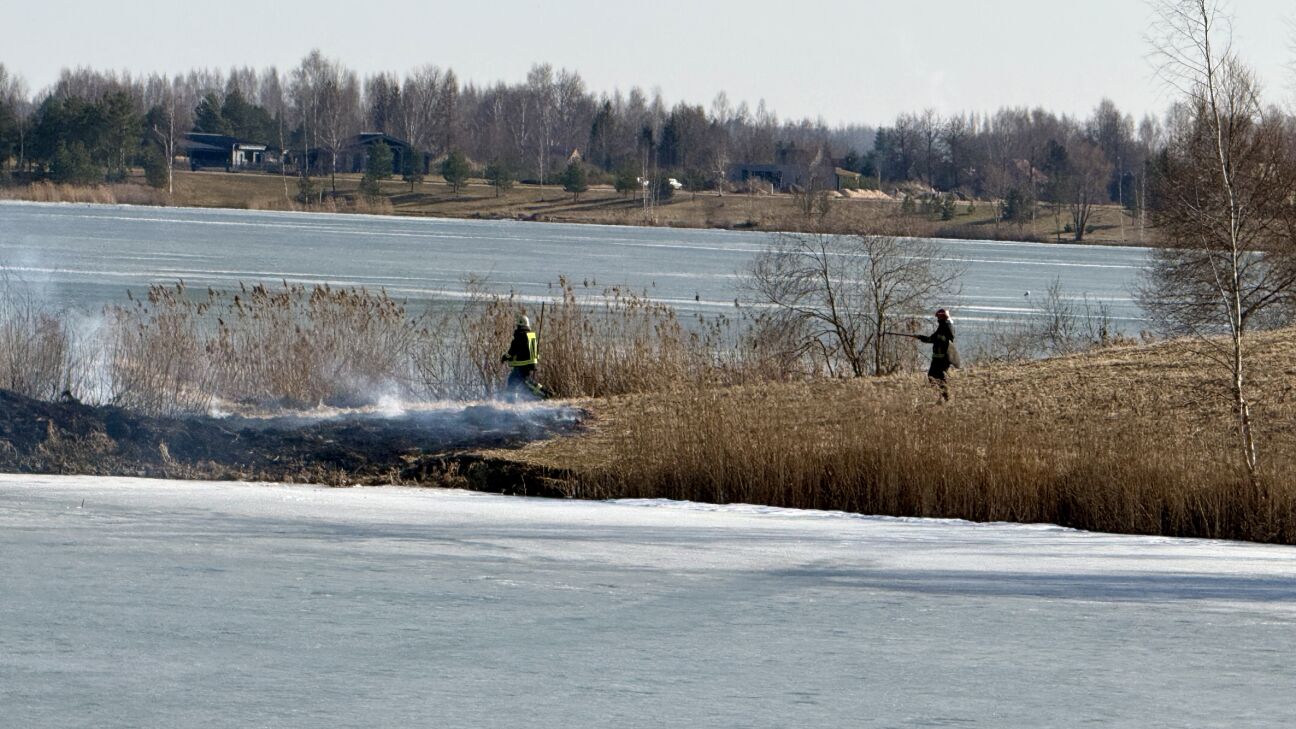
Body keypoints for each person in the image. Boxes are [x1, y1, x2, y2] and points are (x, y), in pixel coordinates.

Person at [918, 308, 957, 402]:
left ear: (943, 317)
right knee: (931, 376)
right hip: (936, 358)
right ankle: (941, 396)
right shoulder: (942, 326)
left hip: (944, 358)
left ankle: (946, 398)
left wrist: (937, 339)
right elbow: (932, 339)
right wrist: (921, 337)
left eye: (939, 316)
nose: (937, 318)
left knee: (941, 378)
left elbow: (950, 337)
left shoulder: (948, 326)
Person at [500, 313, 539, 400]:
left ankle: (543, 394)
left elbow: (512, 351)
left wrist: (505, 357)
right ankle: (541, 394)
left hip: (521, 366)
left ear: (519, 325)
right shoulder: (532, 336)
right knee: (524, 383)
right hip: (530, 365)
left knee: (513, 382)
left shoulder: (519, 336)